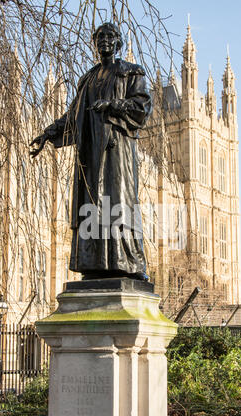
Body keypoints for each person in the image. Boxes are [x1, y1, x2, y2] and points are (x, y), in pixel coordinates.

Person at [30, 23, 152, 281]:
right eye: (99, 37)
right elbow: (74, 117)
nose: (104, 41)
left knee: (119, 204)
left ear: (118, 42)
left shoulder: (131, 73)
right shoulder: (87, 79)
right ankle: (95, 265)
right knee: (92, 205)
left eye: (109, 37)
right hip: (90, 154)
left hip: (116, 152)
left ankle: (129, 263)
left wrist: (113, 105)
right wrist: (49, 133)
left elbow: (142, 108)